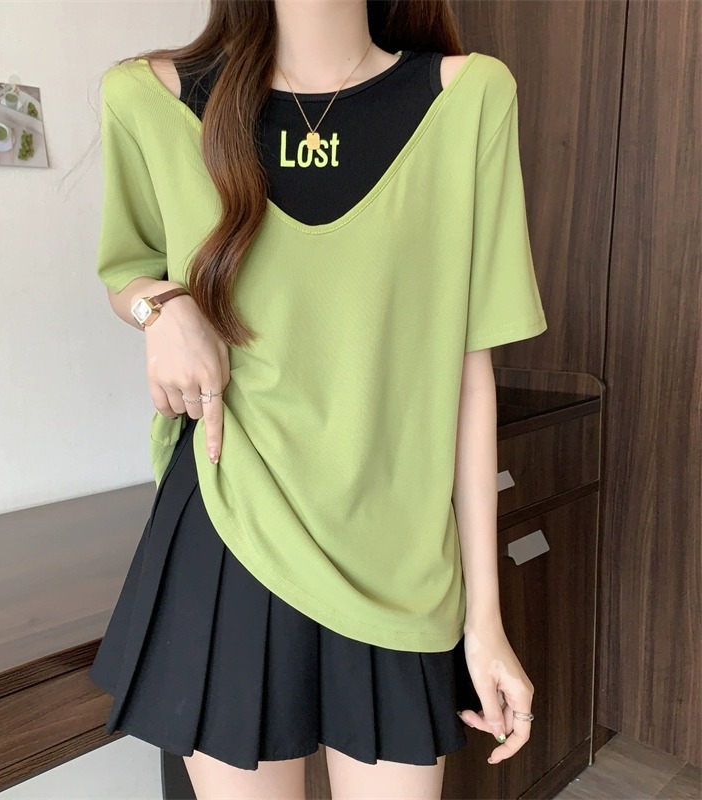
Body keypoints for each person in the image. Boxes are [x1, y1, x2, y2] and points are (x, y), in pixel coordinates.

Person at [88, 1, 546, 797]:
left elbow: (469, 372)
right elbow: (127, 269)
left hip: (398, 556)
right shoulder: (148, 99)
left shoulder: (469, 99)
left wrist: (485, 622)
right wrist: (160, 307)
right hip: (231, 526)